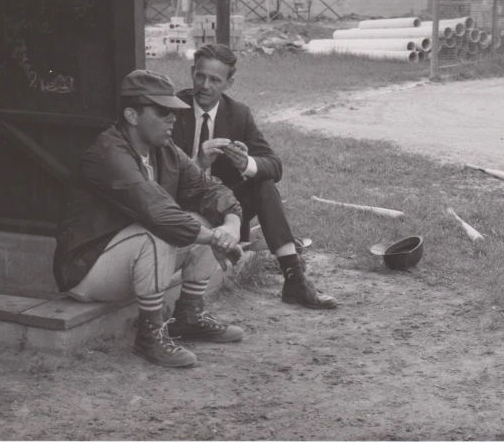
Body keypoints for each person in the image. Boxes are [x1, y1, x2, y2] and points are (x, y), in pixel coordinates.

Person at [53, 69, 246, 368]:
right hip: (88, 270)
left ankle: (189, 317)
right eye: (162, 111)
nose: (172, 118)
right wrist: (214, 239)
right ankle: (149, 335)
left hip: (133, 264)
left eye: (173, 111)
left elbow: (209, 190)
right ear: (132, 115)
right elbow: (157, 214)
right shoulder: (108, 153)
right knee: (160, 231)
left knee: (203, 220)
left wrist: (230, 225)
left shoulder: (164, 150)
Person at [172, 43, 339, 310]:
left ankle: (294, 278)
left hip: (226, 211)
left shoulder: (237, 113)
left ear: (229, 83)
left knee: (263, 184)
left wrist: (246, 163)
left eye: (215, 80)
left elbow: (274, 165)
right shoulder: (174, 108)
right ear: (192, 72)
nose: (205, 85)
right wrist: (198, 163)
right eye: (200, 76)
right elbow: (164, 177)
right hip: (183, 204)